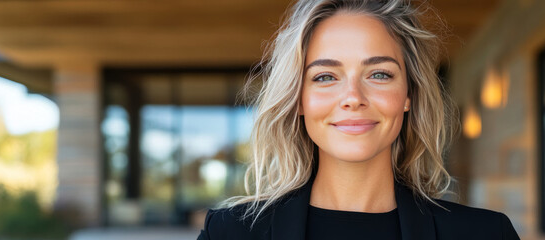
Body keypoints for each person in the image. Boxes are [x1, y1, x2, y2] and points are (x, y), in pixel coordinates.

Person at [197, 0, 520, 239]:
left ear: (408, 94)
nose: (353, 97)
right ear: (299, 100)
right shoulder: (229, 234)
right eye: (325, 77)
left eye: (379, 74)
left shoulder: (486, 233)